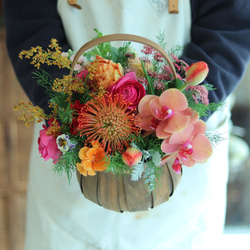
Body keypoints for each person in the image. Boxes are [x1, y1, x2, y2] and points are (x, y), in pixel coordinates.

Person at [4, 0, 250, 249]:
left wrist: (177, 112)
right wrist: (73, 113)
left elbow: (229, 25)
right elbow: (30, 20)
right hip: (75, 140)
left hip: (178, 161)